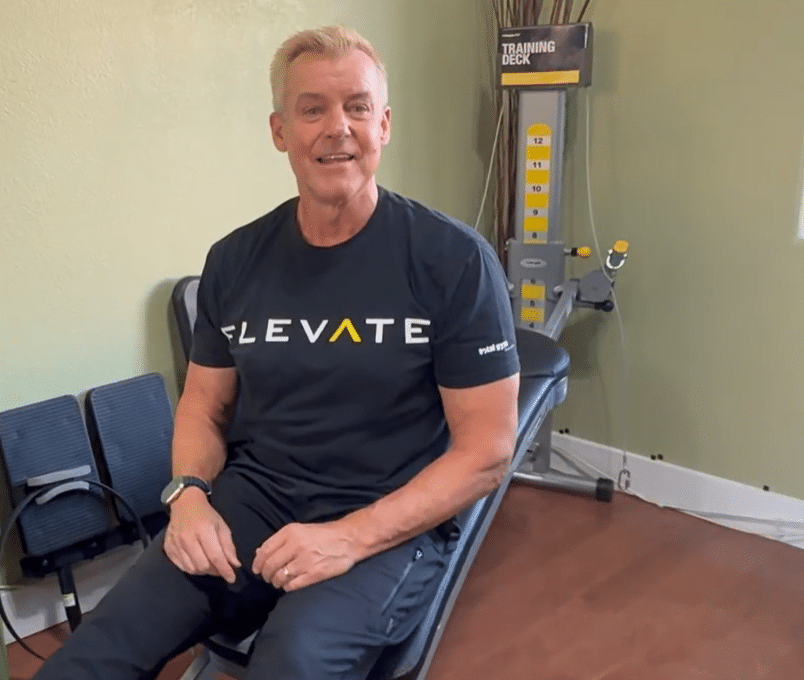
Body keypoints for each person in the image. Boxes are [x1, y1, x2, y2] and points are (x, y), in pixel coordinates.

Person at [34, 25, 520, 680]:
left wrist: (349, 537)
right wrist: (188, 498)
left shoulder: (454, 260)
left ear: (383, 124)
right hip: (255, 500)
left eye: (356, 107)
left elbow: (486, 452)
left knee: (291, 660)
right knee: (98, 650)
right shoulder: (235, 259)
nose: (337, 127)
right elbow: (203, 407)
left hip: (388, 512)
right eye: (312, 109)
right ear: (279, 131)